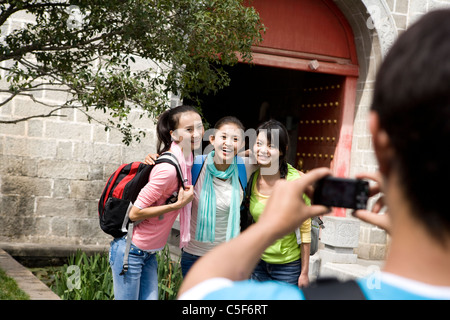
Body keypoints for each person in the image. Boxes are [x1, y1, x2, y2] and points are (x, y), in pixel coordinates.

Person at [178, 9, 450, 300]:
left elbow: (198, 295)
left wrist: (269, 228)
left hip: (284, 268)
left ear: (377, 138)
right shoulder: (234, 169)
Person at [109, 104, 203, 300]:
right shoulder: (168, 170)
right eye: (188, 130)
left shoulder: (187, 159)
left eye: (199, 127)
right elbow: (134, 213)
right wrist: (177, 205)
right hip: (131, 250)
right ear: (174, 135)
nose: (196, 134)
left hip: (149, 253)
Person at [180, 116, 255, 277]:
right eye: (223, 137)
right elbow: (169, 164)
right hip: (193, 256)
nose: (228, 143)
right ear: (212, 139)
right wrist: (153, 158)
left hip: (227, 258)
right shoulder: (195, 164)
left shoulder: (244, 166)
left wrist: (304, 176)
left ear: (241, 145)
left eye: (235, 139)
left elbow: (274, 159)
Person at [248, 120, 312, 287]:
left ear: (283, 151)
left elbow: (305, 229)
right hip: (257, 262)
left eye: (271, 146)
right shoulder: (252, 175)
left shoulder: (295, 182)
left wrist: (304, 273)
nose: (263, 150)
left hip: (287, 267)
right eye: (259, 144)